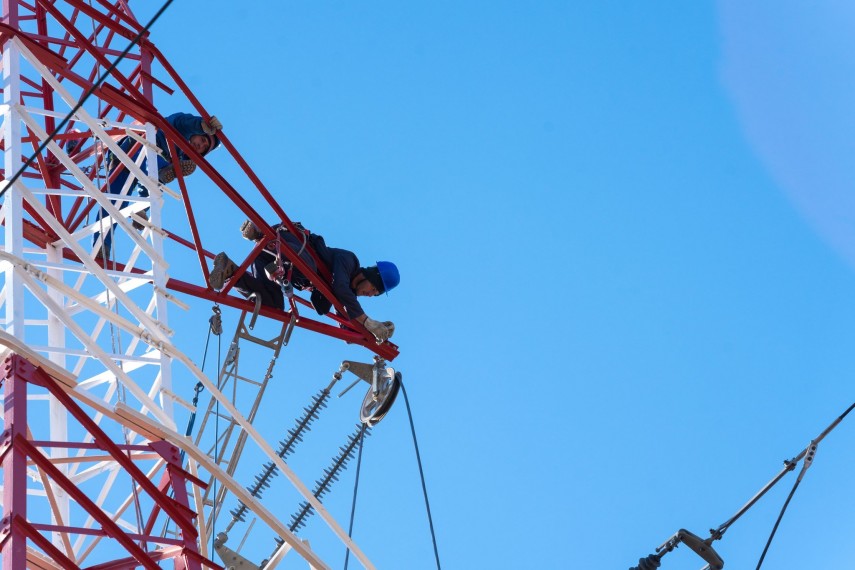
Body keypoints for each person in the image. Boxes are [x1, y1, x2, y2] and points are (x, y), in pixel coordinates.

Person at [208, 222, 399, 343]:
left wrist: (370, 331)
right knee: (309, 269)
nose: (371, 294)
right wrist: (367, 321)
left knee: (272, 305)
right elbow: (341, 289)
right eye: (374, 289)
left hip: (271, 263)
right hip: (289, 249)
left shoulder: (344, 293)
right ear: (369, 276)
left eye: (375, 294)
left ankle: (230, 271)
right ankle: (260, 233)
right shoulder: (349, 261)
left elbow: (345, 324)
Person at [95, 112, 223, 256]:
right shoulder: (178, 130)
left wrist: (142, 207)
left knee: (116, 204)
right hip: (133, 149)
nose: (201, 144)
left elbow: (149, 180)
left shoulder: (178, 157)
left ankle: (102, 247)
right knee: (115, 200)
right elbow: (183, 122)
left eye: (204, 147)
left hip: (139, 168)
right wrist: (201, 125)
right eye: (202, 138)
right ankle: (101, 242)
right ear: (196, 133)